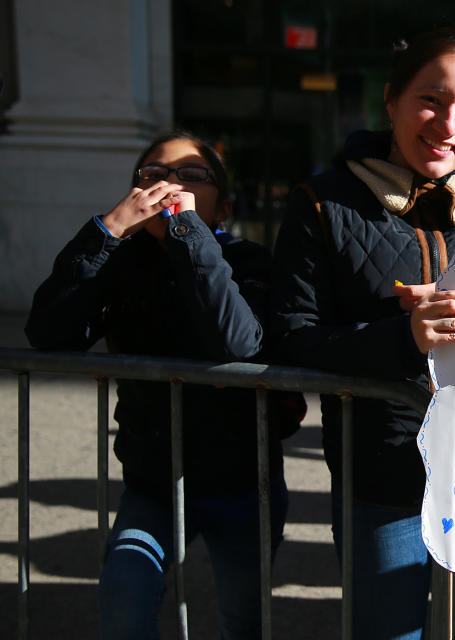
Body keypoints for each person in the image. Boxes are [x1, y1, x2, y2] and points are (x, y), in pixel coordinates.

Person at [269, 27, 455, 639]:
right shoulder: (322, 203)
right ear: (390, 100)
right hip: (382, 482)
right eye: (431, 100)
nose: (448, 124)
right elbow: (291, 340)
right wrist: (403, 336)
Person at [24, 132, 304, 639]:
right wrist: (106, 232)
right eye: (153, 174)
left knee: (242, 620)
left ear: (223, 204)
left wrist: (189, 233)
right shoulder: (120, 260)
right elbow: (48, 332)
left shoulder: (251, 261)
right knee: (123, 597)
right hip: (154, 479)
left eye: (192, 176)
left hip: (245, 483)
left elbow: (240, 343)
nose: (169, 185)